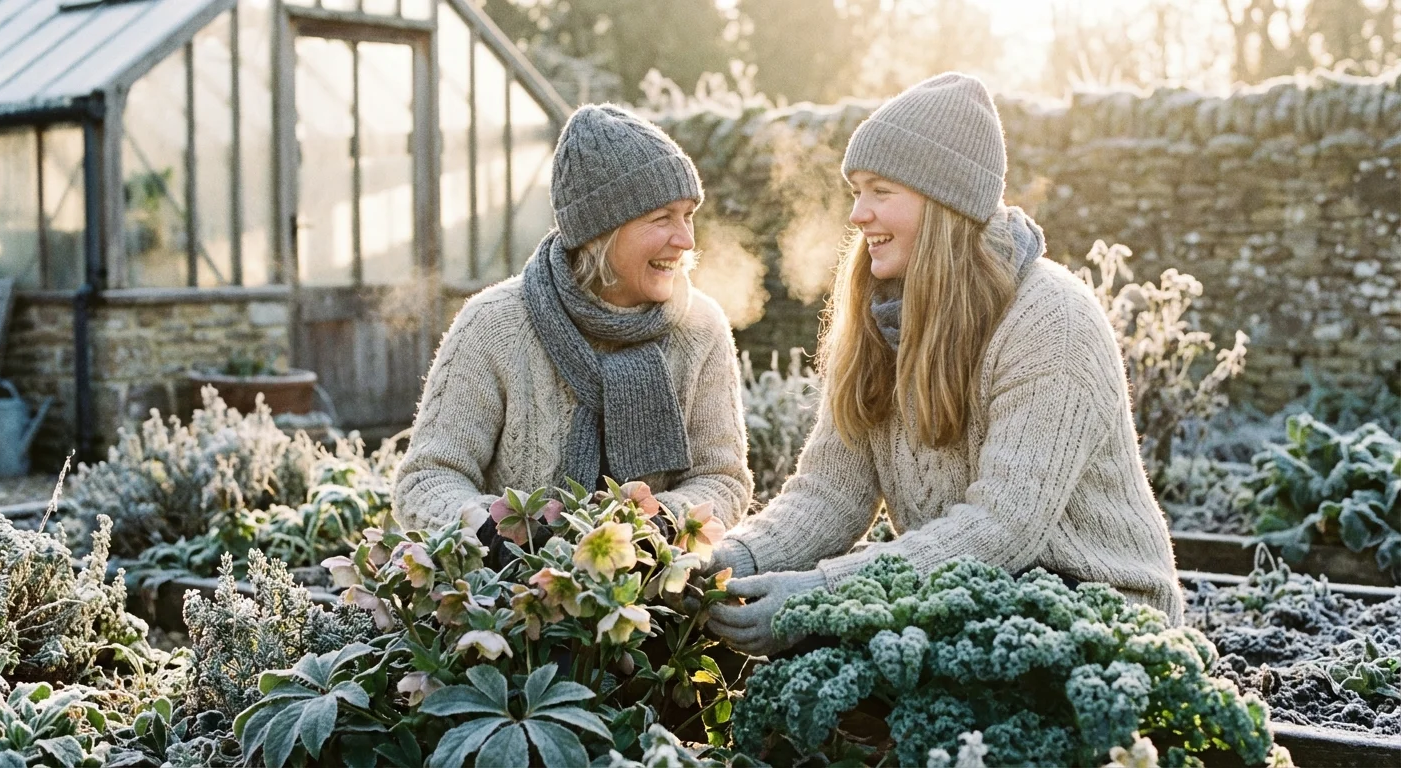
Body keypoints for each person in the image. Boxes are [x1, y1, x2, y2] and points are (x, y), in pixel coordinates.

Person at [705, 73, 1184, 657]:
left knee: (844, 646)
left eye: (880, 191)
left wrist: (822, 594)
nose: (857, 214)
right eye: (856, 191)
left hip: (1098, 614)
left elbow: (1001, 530)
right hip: (976, 600)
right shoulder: (880, 317)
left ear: (944, 203)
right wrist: (728, 560)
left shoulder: (1052, 322)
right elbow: (828, 494)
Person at [394, 104, 753, 537]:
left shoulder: (701, 328)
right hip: (508, 593)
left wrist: (655, 523)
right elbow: (427, 480)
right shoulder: (493, 325)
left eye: (688, 215)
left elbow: (723, 480)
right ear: (599, 231)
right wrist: (498, 531)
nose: (686, 239)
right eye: (662, 219)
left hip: (652, 592)